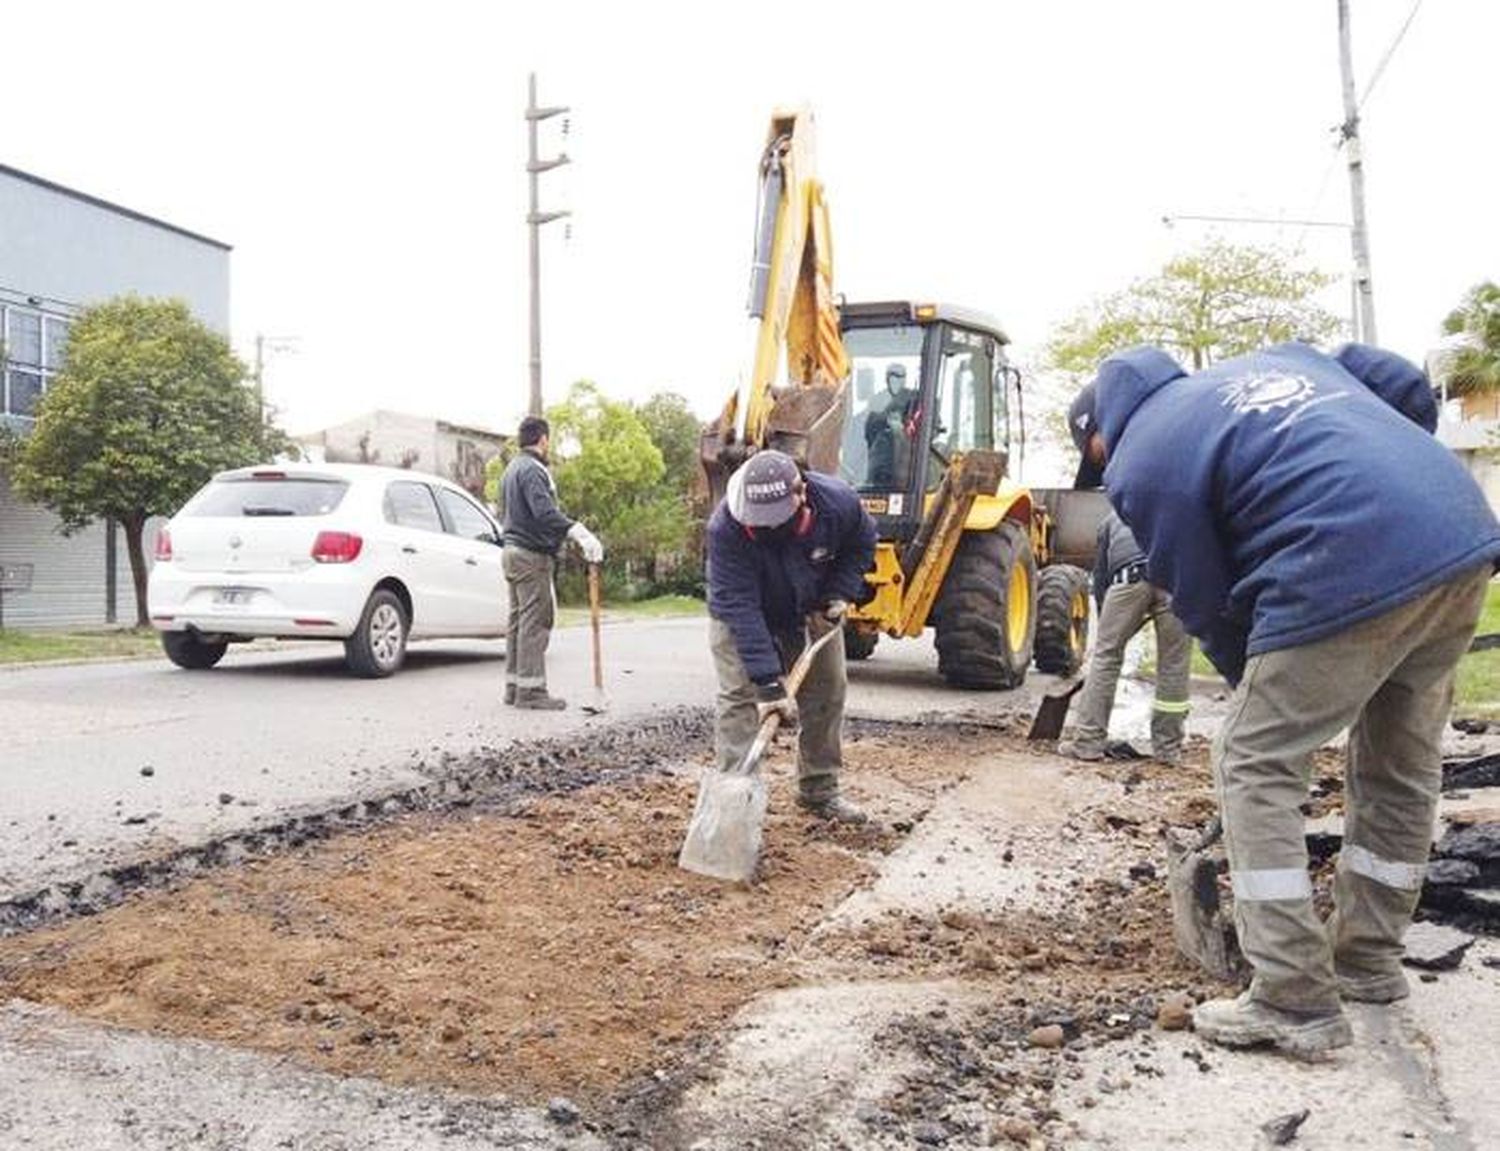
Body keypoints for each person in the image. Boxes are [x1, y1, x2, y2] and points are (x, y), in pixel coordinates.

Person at [1074, 339, 1500, 1056]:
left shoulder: (1139, 456)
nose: (1101, 465)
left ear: (1099, 429)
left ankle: (1293, 996)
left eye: (1094, 453)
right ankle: (1367, 960)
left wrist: (1251, 683)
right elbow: (1393, 379)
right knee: (1399, 762)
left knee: (1252, 756)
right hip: (1458, 534)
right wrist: (1391, 463)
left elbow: (1199, 593)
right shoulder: (1285, 361)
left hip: (1345, 557)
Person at [706, 449, 878, 822]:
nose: (763, 529)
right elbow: (738, 605)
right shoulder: (727, 527)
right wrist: (769, 685)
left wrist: (839, 592)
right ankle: (733, 799)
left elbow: (862, 542)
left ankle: (819, 790)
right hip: (742, 613)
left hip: (809, 605)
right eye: (757, 522)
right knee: (740, 696)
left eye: (771, 522)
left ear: (801, 495)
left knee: (828, 688)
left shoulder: (838, 503)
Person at [1057, 508, 1191, 765]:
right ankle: (1168, 751)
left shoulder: (1114, 514)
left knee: (1106, 658)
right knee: (1174, 665)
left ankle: (1087, 743)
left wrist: (1109, 626)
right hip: (1176, 582)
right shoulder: (1180, 506)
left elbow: (1101, 576)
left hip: (1128, 579)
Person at [499, 415, 604, 710]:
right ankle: (531, 692)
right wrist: (577, 531)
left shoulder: (511, 470)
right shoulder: (533, 470)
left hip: (511, 552)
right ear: (543, 439)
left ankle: (514, 687)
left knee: (519, 622)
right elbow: (543, 512)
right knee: (535, 621)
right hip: (530, 555)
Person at [864, 363, 920, 488]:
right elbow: (865, 435)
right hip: (877, 473)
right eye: (893, 377)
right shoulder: (876, 403)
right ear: (886, 380)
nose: (897, 382)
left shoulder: (916, 400)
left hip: (910, 470)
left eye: (900, 377)